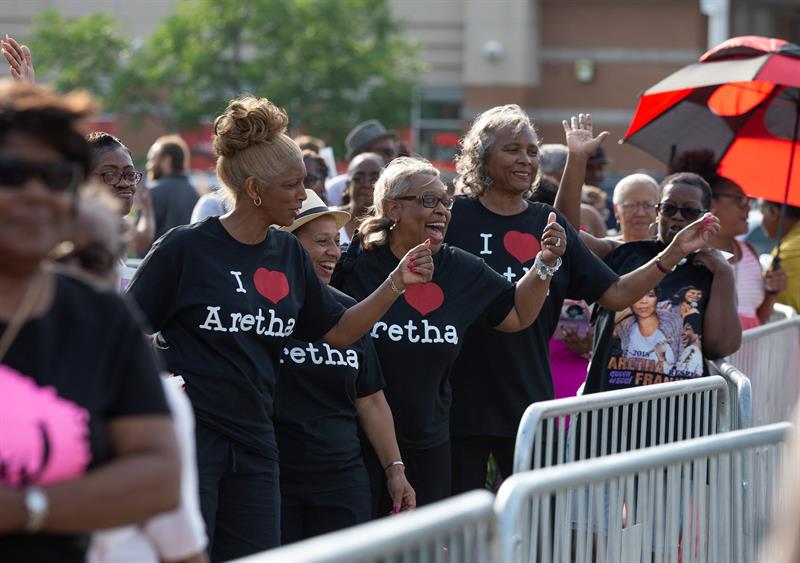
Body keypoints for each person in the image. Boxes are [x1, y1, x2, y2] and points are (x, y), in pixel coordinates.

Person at [127, 96, 432, 560]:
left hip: (257, 445)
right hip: (194, 441)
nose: (304, 194)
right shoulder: (186, 250)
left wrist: (397, 283)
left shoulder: (287, 254)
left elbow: (340, 330)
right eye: (293, 184)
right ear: (253, 190)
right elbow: (122, 333)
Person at [445, 107, 720, 495]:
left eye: (532, 150)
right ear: (482, 156)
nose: (526, 159)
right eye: (513, 150)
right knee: (456, 534)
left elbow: (618, 293)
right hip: (457, 406)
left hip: (528, 408)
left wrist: (672, 254)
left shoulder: (548, 223)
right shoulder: (453, 218)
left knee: (541, 527)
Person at [0, 79, 180, 562]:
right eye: (12, 173)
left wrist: (23, 508)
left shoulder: (102, 316)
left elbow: (161, 479)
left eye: (56, 176)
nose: (36, 193)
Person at [333, 156, 567, 510]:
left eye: (445, 200)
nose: (442, 210)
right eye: (429, 201)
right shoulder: (354, 267)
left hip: (430, 441)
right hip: (356, 441)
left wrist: (544, 264)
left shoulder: (461, 268)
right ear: (392, 209)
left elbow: (519, 314)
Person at [275, 190, 415, 543]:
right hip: (274, 479)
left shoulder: (348, 311)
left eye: (336, 242)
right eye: (321, 242)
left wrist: (395, 469)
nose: (334, 252)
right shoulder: (263, 309)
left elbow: (370, 399)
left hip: (343, 481)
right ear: (287, 246)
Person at [573, 172, 741, 392]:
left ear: (706, 217)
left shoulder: (710, 269)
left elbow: (720, 347)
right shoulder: (623, 254)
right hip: (611, 410)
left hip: (678, 414)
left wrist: (724, 273)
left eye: (689, 211)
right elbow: (568, 232)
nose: (678, 217)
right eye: (669, 208)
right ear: (657, 212)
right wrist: (577, 158)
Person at [668, 150, 788, 327]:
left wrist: (771, 294)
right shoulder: (691, 255)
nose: (748, 208)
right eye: (740, 200)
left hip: (749, 354)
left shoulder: (749, 253)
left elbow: (755, 321)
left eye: (749, 201)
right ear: (712, 204)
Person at [86, 132, 156, 258]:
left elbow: (140, 241)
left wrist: (146, 210)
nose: (124, 183)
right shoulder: (73, 236)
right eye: (110, 175)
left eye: (130, 174)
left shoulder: (115, 222)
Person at [326, 119, 396, 206]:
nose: (393, 158)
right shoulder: (334, 190)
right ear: (363, 153)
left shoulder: (401, 189)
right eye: (387, 152)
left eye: (393, 152)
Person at [147, 134, 199, 241]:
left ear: (167, 160)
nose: (149, 165)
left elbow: (141, 241)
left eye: (152, 159)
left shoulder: (154, 192)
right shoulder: (195, 194)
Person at [760, 200, 800, 313]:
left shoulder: (786, 253)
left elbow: (760, 298)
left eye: (762, 212)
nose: (761, 221)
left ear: (774, 212)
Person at [338, 152, 383, 247]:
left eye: (375, 179)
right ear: (348, 185)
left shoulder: (393, 226)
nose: (366, 184)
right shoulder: (330, 218)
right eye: (359, 178)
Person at [610, 173, 659, 242]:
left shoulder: (671, 250)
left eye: (648, 205)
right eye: (632, 206)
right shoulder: (604, 250)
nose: (641, 213)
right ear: (616, 210)